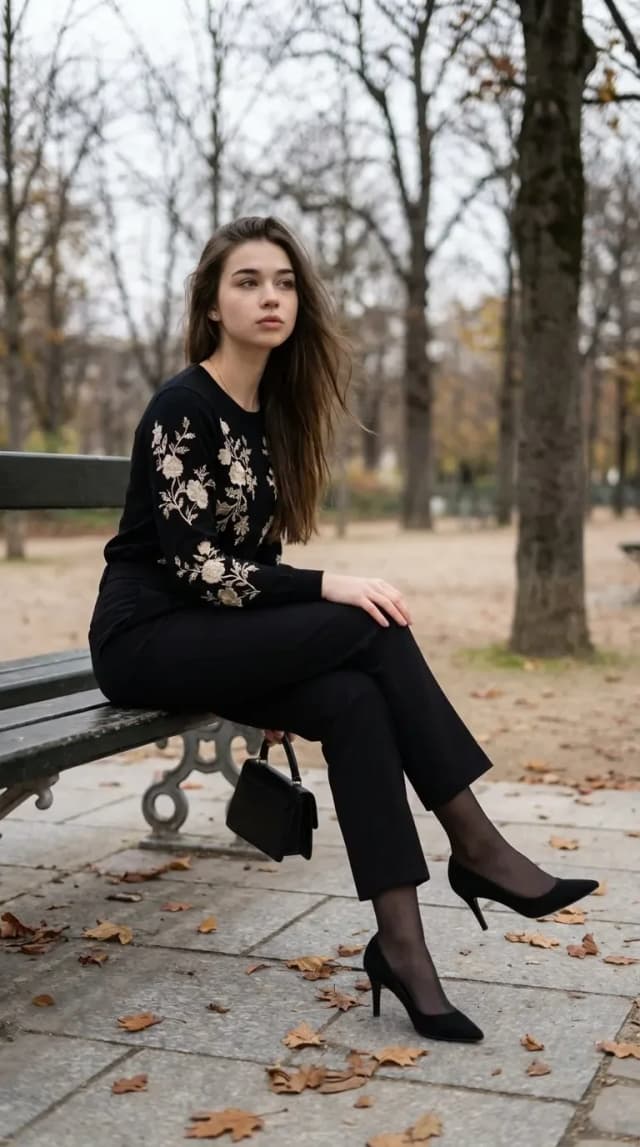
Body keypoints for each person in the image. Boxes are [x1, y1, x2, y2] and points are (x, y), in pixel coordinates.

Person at [88, 215, 598, 1045]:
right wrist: (328, 586)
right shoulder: (184, 407)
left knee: (357, 698)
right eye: (248, 281)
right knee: (370, 621)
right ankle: (476, 843)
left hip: (216, 637)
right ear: (213, 304)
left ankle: (404, 951)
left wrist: (279, 665)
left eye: (284, 283)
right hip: (147, 637)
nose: (270, 297)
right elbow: (200, 570)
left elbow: (253, 568)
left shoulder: (269, 412)